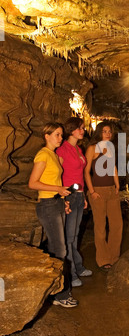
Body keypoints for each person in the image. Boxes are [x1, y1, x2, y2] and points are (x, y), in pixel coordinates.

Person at [28, 122, 78, 308]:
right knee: (60, 250)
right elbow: (33, 183)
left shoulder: (54, 156)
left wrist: (62, 198)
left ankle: (52, 291)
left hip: (56, 202)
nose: (60, 138)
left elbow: (54, 179)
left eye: (61, 135)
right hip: (47, 205)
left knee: (56, 247)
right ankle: (60, 294)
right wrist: (57, 189)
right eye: (57, 134)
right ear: (46, 136)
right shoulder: (43, 154)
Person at [56, 117, 92, 287]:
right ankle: (71, 274)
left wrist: (83, 195)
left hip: (77, 195)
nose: (82, 131)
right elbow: (57, 174)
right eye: (80, 128)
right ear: (71, 130)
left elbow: (81, 175)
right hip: (68, 195)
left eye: (83, 128)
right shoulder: (62, 150)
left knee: (75, 234)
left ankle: (77, 266)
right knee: (69, 237)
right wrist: (62, 198)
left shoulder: (78, 149)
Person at [84, 121, 123, 272]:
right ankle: (103, 259)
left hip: (111, 190)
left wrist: (117, 184)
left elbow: (113, 167)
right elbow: (86, 171)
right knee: (100, 227)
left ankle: (114, 257)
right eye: (105, 131)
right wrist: (92, 191)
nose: (108, 134)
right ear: (99, 133)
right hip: (98, 191)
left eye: (110, 132)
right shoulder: (92, 148)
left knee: (117, 225)